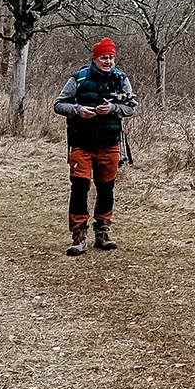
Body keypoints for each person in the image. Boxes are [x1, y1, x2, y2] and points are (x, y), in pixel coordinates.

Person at [54, 38, 137, 255]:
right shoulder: (79, 78)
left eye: (111, 57)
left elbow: (130, 108)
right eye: (104, 57)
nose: (108, 61)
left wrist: (112, 109)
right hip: (81, 143)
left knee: (106, 189)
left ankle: (103, 231)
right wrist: (78, 110)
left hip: (110, 144)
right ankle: (79, 235)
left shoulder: (121, 79)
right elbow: (59, 104)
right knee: (80, 189)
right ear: (95, 58)